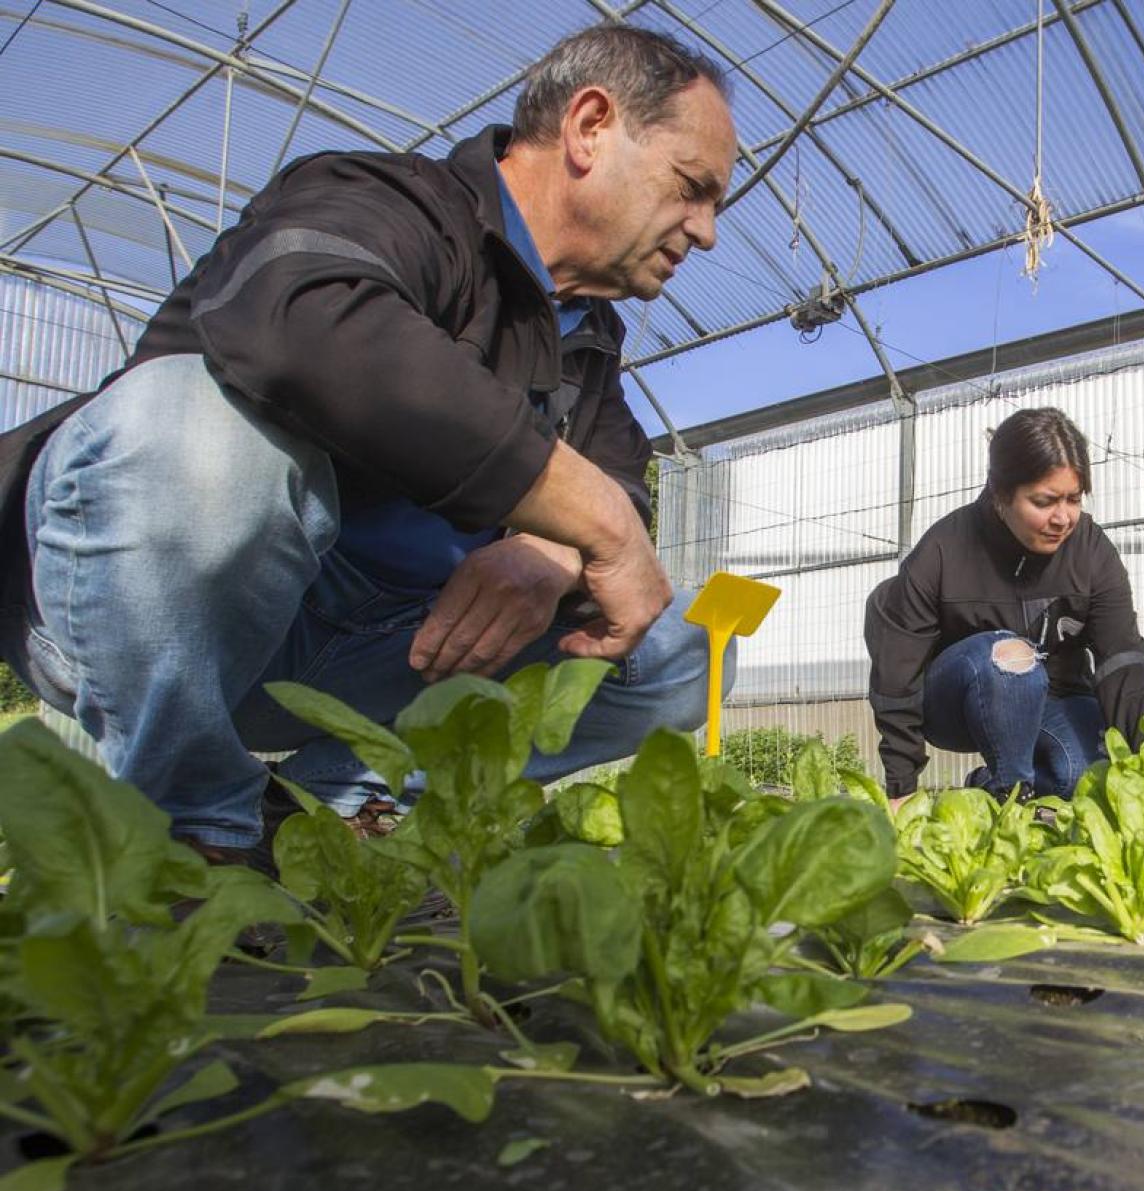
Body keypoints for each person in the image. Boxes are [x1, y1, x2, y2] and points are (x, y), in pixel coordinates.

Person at [0, 26, 739, 865]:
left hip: (381, 649)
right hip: (157, 622)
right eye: (692, 188)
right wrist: (591, 514)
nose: (706, 230)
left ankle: (332, 811)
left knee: (683, 645)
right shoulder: (384, 201)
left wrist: (552, 547)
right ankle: (191, 829)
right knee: (196, 424)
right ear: (591, 125)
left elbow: (620, 472)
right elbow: (300, 326)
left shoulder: (587, 334)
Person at [866, 407, 1144, 804]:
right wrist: (901, 789)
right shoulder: (944, 549)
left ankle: (987, 786)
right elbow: (897, 673)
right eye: (1044, 501)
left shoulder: (1091, 550)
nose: (1063, 517)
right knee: (1010, 657)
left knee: (1084, 780)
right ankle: (1012, 796)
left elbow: (1121, 658)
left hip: (1055, 697)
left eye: (1073, 499)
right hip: (957, 701)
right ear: (1000, 493)